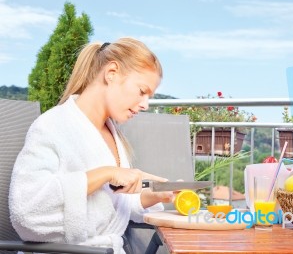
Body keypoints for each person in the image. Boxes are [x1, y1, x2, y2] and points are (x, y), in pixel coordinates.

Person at [9, 37, 174, 253]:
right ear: (111, 73)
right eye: (142, 91)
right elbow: (26, 211)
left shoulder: (112, 134)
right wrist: (106, 173)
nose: (145, 104)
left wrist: (150, 196)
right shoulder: (52, 125)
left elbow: (109, 209)